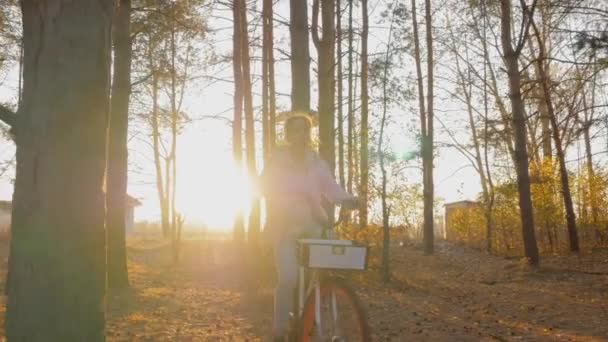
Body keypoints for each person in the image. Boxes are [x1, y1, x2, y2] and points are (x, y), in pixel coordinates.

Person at [258, 114, 358, 341]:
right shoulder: (277, 161)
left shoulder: (316, 162)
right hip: (284, 226)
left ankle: (311, 315)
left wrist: (347, 199)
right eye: (295, 130)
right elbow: (264, 185)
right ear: (288, 135)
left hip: (314, 223)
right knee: (288, 278)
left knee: (325, 268)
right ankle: (280, 329)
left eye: (305, 130)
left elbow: (331, 188)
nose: (300, 135)